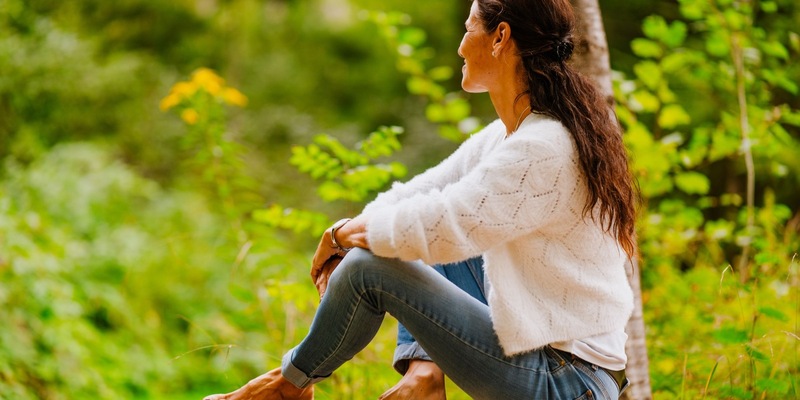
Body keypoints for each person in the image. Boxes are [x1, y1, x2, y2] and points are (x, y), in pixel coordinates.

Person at [204, 0, 637, 398]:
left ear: (501, 37)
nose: (460, 46)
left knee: (370, 267)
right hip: (550, 361)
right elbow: (423, 195)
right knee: (413, 231)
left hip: (568, 380)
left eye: (469, 30)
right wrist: (350, 229)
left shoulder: (542, 147)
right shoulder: (509, 138)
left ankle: (288, 385)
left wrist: (344, 239)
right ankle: (424, 376)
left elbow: (443, 224)